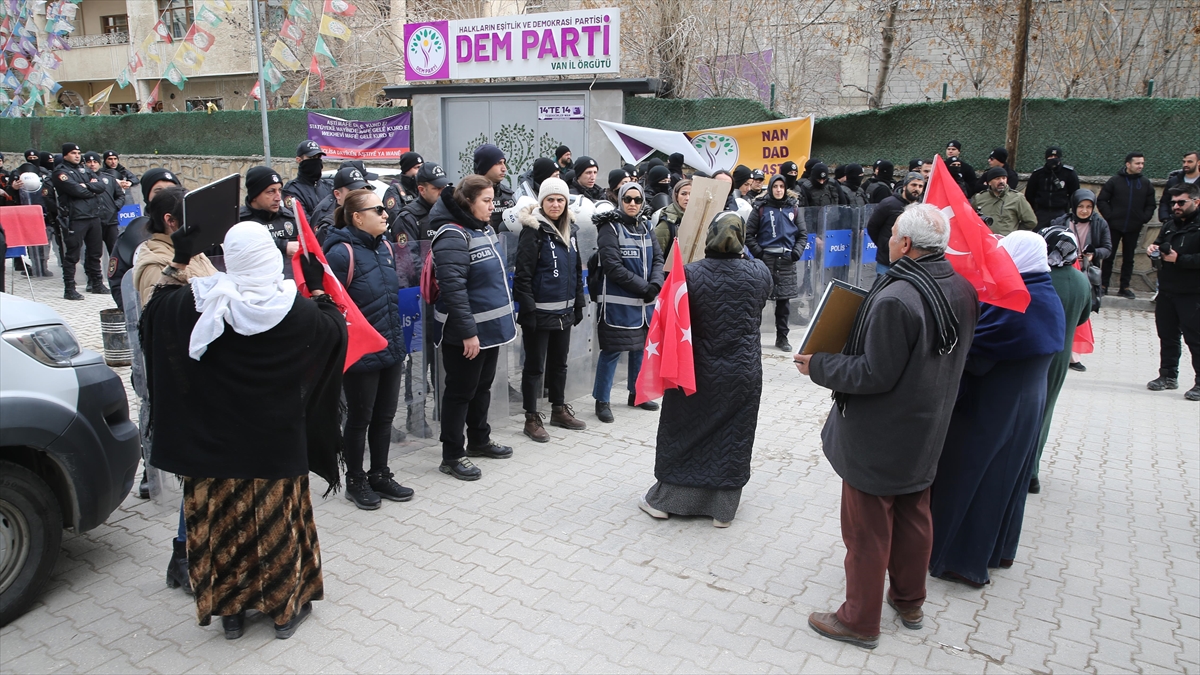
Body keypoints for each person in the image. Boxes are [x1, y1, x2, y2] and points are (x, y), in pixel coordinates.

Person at [140, 222, 347, 641]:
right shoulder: (297, 312)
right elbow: (335, 330)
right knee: (276, 529)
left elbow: (152, 315)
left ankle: (231, 613)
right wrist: (316, 286)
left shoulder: (197, 305)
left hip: (212, 451)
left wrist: (179, 261)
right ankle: (284, 611)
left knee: (225, 529)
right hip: (275, 449)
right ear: (271, 260)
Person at [794, 203, 979, 649]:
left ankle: (858, 621)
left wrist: (818, 364)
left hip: (881, 434)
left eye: (893, 233)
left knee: (866, 531)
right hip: (928, 425)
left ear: (907, 244)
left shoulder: (897, 297)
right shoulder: (960, 286)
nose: (888, 239)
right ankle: (910, 600)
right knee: (915, 515)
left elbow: (873, 374)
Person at [929, 231, 1065, 588]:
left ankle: (961, 561)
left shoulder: (1021, 300)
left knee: (976, 477)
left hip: (997, 404)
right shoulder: (1042, 290)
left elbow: (979, 351)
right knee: (1006, 478)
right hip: (1022, 401)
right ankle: (996, 550)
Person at [639, 212, 772, 527]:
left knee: (682, 432)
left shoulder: (689, 275)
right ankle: (722, 511)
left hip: (695, 372)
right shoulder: (760, 272)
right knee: (733, 438)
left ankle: (664, 502)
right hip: (743, 372)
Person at [128, 186, 219, 591]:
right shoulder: (154, 260)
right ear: (170, 220)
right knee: (197, 470)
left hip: (208, 372)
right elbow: (158, 316)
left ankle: (198, 548)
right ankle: (182, 555)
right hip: (183, 379)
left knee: (207, 470)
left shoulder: (192, 251)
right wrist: (178, 262)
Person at [323, 189, 414, 509]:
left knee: (385, 416)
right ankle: (355, 480)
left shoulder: (386, 247)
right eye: (377, 209)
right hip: (360, 352)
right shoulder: (341, 253)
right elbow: (327, 305)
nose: (385, 213)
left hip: (389, 346)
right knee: (360, 418)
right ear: (357, 217)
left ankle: (380, 474)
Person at [428, 175, 518, 480]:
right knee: (460, 393)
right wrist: (468, 333)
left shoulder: (484, 229)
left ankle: (479, 439)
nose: (493, 207)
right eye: (487, 201)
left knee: (482, 388)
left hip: (489, 332)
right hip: (466, 334)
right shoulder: (452, 236)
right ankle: (452, 455)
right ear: (467, 202)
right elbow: (454, 290)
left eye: (493, 200)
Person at [513, 177, 588, 443]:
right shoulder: (533, 231)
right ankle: (531, 418)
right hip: (540, 314)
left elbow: (576, 271)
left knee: (559, 364)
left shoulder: (572, 230)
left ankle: (558, 409)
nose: (555, 204)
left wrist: (579, 303)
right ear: (542, 202)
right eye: (550, 199)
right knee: (534, 367)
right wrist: (529, 310)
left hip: (564, 313)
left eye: (560, 200)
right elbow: (522, 275)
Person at [592, 182, 665, 422]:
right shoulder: (608, 227)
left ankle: (637, 394)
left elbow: (658, 258)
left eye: (637, 199)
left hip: (644, 304)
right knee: (612, 351)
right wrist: (645, 288)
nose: (632, 203)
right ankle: (602, 401)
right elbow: (612, 267)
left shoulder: (646, 225)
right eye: (627, 199)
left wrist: (655, 285)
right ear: (619, 200)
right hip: (617, 305)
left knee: (640, 350)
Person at [1029, 226, 1092, 494]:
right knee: (1045, 412)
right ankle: (1033, 472)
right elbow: (1083, 318)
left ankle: (1018, 468)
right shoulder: (1081, 281)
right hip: (1061, 356)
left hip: (1032, 354)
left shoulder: (1038, 277)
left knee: (1024, 411)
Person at [1146, 182, 1200, 401]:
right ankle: (1167, 376)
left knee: (1195, 339)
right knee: (1167, 335)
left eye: (1181, 202)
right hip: (1167, 290)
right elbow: (1160, 244)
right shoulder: (1170, 225)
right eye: (1173, 202)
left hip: (1193, 293)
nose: (1176, 206)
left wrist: (1180, 260)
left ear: (1196, 202)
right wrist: (1153, 250)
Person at [1049, 189, 1112, 372]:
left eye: (1089, 207)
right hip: (1061, 268)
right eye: (1081, 206)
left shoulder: (1100, 223)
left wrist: (1094, 255)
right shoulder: (1061, 221)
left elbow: (1107, 248)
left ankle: (1073, 356)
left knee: (1079, 313)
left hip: (1084, 271)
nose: (1084, 211)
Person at [108, 168, 184, 310]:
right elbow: (118, 281)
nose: (167, 195)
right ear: (147, 196)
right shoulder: (134, 235)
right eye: (158, 191)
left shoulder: (193, 231)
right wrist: (133, 312)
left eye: (172, 189)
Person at [746, 175, 806, 351]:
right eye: (775, 186)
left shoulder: (793, 208)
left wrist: (796, 253)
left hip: (787, 260)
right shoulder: (760, 207)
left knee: (784, 304)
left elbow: (802, 234)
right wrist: (759, 253)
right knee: (759, 301)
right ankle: (753, 338)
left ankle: (782, 338)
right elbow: (749, 234)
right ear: (770, 188)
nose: (778, 190)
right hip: (766, 259)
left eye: (781, 186)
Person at [1097, 152, 1157, 298]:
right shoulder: (1115, 181)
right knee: (1108, 256)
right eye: (1137, 163)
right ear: (1128, 164)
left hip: (1134, 227)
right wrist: (1110, 216)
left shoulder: (1145, 183)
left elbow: (1151, 205)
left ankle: (1125, 287)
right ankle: (1103, 285)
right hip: (1114, 226)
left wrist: (1143, 218)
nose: (1140, 166)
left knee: (1129, 258)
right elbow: (1102, 200)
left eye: (1142, 163)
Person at [54, 143, 107, 299]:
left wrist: (88, 186)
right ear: (65, 155)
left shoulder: (84, 170)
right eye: (73, 153)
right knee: (72, 254)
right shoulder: (60, 172)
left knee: (95, 253)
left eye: (78, 152)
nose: (77, 155)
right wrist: (90, 189)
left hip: (93, 216)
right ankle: (69, 288)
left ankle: (96, 283)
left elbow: (101, 186)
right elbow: (76, 190)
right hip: (75, 218)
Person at [866, 172, 924, 275]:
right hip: (886, 261)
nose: (917, 189)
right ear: (905, 186)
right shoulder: (888, 204)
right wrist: (884, 246)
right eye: (913, 185)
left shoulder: (922, 207)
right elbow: (872, 227)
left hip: (910, 262)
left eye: (920, 186)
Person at [240, 166, 300, 261]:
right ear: (254, 195)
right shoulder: (240, 222)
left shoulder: (288, 217)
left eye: (279, 190)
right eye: (271, 192)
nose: (278, 198)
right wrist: (282, 246)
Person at [84, 151, 124, 273]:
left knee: (114, 250)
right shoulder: (82, 179)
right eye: (89, 162)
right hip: (92, 220)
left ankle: (116, 275)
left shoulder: (109, 179)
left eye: (95, 162)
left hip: (110, 220)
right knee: (93, 251)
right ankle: (92, 278)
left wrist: (114, 207)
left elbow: (120, 196)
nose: (92, 164)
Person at [393, 162, 450, 244]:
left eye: (444, 186)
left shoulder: (451, 211)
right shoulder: (408, 218)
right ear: (422, 190)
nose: (442, 192)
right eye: (437, 188)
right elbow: (407, 254)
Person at [1024, 146, 1081, 229]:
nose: (1053, 159)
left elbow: (1075, 194)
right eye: (1050, 157)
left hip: (1061, 212)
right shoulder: (1038, 174)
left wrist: (1067, 206)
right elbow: (1029, 194)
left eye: (1056, 157)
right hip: (1041, 213)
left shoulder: (1069, 173)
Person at [313, 166, 374, 242]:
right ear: (337, 194)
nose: (360, 195)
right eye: (354, 191)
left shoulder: (371, 218)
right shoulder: (329, 224)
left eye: (362, 189)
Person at [971, 166, 1037, 236]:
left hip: (1007, 242)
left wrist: (1015, 234)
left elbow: (1031, 222)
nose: (1001, 181)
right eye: (997, 179)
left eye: (1004, 178)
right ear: (989, 182)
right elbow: (971, 218)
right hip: (985, 240)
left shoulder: (1017, 198)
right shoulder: (979, 198)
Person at [282, 140, 333, 217]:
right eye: (311, 157)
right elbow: (303, 221)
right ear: (299, 160)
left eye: (318, 157)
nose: (316, 161)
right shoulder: (292, 190)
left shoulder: (329, 186)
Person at [473, 143, 516, 232]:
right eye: (498, 163)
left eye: (504, 163)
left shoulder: (509, 195)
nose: (504, 168)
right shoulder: (468, 195)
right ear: (485, 166)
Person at [652, 179, 691, 257]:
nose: (688, 198)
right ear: (676, 196)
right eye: (683, 194)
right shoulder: (667, 223)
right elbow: (656, 255)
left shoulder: (699, 219)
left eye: (691, 194)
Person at [1158, 151, 1198, 224]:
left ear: (1198, 163)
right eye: (1184, 162)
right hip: (1174, 223)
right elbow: (1164, 201)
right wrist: (1165, 219)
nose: (1186, 164)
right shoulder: (1173, 181)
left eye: (1190, 162)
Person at [383, 151, 423, 221]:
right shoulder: (394, 190)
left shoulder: (423, 188)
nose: (420, 171)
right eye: (417, 167)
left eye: (422, 167)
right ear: (407, 169)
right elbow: (395, 218)